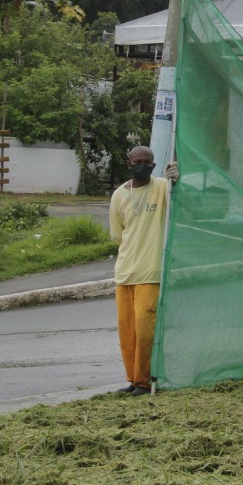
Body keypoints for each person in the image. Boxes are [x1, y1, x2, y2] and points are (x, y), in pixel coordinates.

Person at [108, 145, 172, 396]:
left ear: (153, 165)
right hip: (125, 273)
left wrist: (177, 179)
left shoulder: (163, 188)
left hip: (151, 272)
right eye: (137, 161)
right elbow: (117, 234)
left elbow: (184, 199)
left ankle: (146, 381)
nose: (142, 166)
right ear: (128, 163)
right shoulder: (119, 195)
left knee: (145, 331)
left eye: (147, 162)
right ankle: (134, 379)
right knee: (128, 333)